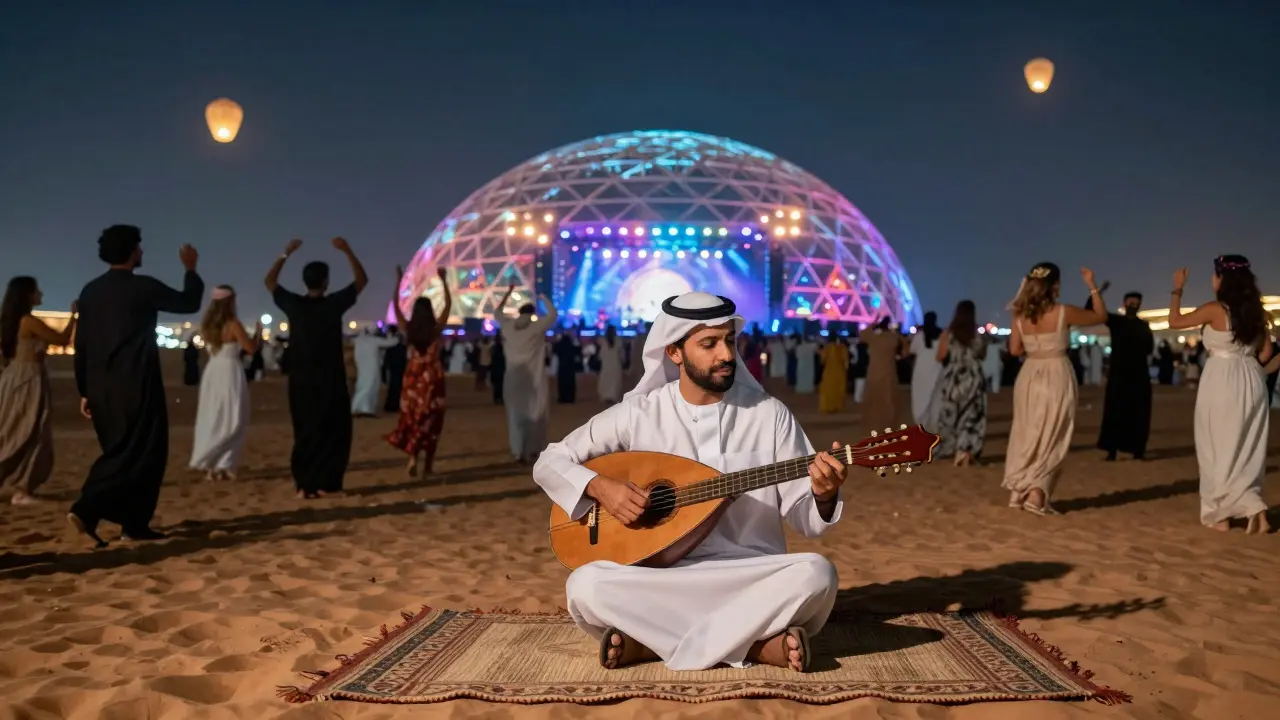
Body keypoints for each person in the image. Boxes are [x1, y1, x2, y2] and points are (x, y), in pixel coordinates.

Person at [533, 292, 847, 672]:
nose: (727, 355)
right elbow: (549, 461)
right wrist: (601, 488)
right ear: (674, 353)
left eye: (730, 341)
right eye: (709, 344)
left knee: (817, 574)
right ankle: (755, 647)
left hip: (748, 574)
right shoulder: (639, 414)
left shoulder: (768, 414)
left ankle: (651, 643)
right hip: (660, 577)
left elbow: (806, 520)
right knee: (585, 585)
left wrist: (823, 494)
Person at [69, 225, 204, 547]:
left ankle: (134, 524)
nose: (142, 253)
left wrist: (84, 390)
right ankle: (87, 510)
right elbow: (188, 302)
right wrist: (191, 269)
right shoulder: (142, 287)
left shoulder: (90, 291)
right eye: (139, 248)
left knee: (124, 450)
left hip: (100, 387)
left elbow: (83, 344)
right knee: (138, 452)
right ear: (131, 251)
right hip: (136, 383)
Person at [1166, 256, 1272, 533]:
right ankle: (1253, 507)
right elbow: (1267, 355)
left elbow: (1174, 321)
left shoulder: (1215, 309)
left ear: (1222, 279)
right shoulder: (1256, 313)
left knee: (1216, 447)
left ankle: (1221, 516)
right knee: (1246, 448)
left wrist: (1177, 288)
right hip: (1252, 380)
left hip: (1222, 380)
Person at [266, 237, 367, 499]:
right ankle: (327, 484)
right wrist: (347, 250)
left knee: (305, 430)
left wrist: (285, 254)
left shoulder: (295, 306)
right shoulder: (333, 304)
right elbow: (361, 281)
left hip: (300, 379)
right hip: (329, 378)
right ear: (325, 282)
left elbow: (270, 282)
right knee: (334, 430)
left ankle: (305, 484)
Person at [1002, 263, 1105, 516]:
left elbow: (1014, 350)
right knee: (1054, 433)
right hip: (1056, 371)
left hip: (1029, 374)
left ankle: (1019, 490)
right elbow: (1100, 317)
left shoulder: (1020, 314)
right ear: (1055, 286)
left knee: (1028, 430)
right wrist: (1093, 286)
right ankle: (1037, 494)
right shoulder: (1063, 312)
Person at [1, 277, 77, 505]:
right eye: (36, 290)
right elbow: (62, 340)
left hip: (15, 378)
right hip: (29, 380)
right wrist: (73, 316)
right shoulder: (28, 321)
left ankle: (20, 485)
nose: (41, 294)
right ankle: (22, 489)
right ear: (27, 295)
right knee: (30, 432)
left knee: (13, 429)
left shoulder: (11, 321)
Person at [189, 286, 260, 481]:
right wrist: (258, 334)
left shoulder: (207, 325)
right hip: (230, 371)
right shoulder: (233, 324)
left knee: (215, 415)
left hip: (213, 371)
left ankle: (217, 465)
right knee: (234, 417)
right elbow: (250, 349)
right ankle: (218, 461)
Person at [387, 265, 451, 477]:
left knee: (413, 418)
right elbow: (448, 306)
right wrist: (444, 281)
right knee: (432, 421)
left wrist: (397, 282)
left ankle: (413, 457)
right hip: (432, 379)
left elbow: (396, 306)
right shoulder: (435, 330)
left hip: (413, 379)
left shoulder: (408, 328)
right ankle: (428, 465)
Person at [1085, 285, 1154, 461]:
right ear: (1124, 303)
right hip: (1119, 374)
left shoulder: (1144, 326)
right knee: (1114, 411)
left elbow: (1149, 349)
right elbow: (1091, 310)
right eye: (1131, 302)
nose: (1134, 305)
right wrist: (1097, 292)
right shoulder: (1115, 321)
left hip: (1138, 376)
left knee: (1139, 412)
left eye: (1136, 302)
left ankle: (1138, 450)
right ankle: (1112, 449)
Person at [495, 285, 557, 463]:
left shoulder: (508, 327)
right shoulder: (536, 328)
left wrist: (508, 292)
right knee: (536, 414)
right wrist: (542, 295)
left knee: (515, 415)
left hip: (513, 379)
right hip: (535, 379)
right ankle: (533, 450)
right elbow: (553, 315)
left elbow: (497, 312)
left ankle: (517, 451)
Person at [933, 300, 987, 466]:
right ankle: (965, 450)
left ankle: (950, 447)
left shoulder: (948, 334)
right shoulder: (978, 335)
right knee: (971, 416)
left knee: (951, 414)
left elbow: (940, 356)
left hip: (954, 378)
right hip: (973, 378)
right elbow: (982, 355)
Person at [861, 317, 904, 432]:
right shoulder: (893, 338)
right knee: (888, 402)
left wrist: (873, 324)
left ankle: (874, 426)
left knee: (874, 401)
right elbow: (904, 345)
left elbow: (862, 334)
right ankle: (888, 426)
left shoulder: (873, 338)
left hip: (874, 373)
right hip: (889, 373)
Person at [351, 328, 399, 417]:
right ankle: (365, 409)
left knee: (362, 386)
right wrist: (395, 336)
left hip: (362, 368)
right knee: (370, 386)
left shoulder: (358, 341)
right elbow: (391, 343)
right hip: (372, 368)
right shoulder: (373, 341)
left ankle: (359, 408)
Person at [908, 311, 943, 428]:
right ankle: (935, 423)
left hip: (921, 371)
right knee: (936, 398)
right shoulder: (942, 335)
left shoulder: (919, 336)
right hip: (938, 369)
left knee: (920, 397)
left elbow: (911, 350)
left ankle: (921, 421)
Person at [817, 338, 848, 412]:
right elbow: (846, 361)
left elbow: (822, 360)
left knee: (827, 388)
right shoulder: (842, 348)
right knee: (838, 388)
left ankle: (827, 407)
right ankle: (837, 406)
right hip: (840, 371)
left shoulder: (827, 348)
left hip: (829, 371)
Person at [381, 325, 407, 413]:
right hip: (401, 369)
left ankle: (392, 405)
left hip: (393, 370)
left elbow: (386, 361)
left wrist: (383, 372)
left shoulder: (390, 347)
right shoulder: (403, 348)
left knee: (393, 387)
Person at [596, 325, 624, 403]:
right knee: (615, 380)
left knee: (606, 380)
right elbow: (621, 354)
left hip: (606, 364)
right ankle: (613, 396)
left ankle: (605, 396)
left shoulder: (602, 340)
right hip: (616, 364)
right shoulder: (618, 340)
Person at [489, 331, 506, 404]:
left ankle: (497, 398)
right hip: (500, 368)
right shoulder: (503, 348)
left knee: (497, 385)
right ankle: (500, 398)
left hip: (496, 369)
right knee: (501, 384)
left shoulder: (493, 348)